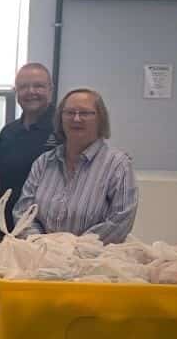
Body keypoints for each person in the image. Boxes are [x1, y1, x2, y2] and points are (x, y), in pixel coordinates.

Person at [14, 88, 138, 243]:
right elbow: (23, 212)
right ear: (60, 118)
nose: (76, 119)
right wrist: (41, 244)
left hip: (92, 260)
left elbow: (120, 222)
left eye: (85, 113)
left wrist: (73, 250)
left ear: (100, 119)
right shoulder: (44, 162)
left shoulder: (118, 165)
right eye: (70, 113)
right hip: (42, 256)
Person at [0, 63, 56, 224]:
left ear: (50, 89)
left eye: (38, 86)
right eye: (23, 87)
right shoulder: (8, 132)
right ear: (16, 91)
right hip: (6, 225)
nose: (31, 92)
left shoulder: (64, 130)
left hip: (46, 230)